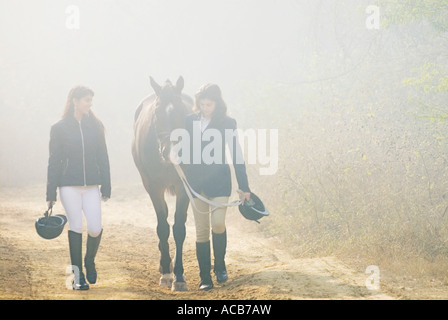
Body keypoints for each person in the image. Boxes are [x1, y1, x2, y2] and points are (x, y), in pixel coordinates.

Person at [184, 83, 251, 291]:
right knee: (202, 231)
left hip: (220, 183)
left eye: (209, 104)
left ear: (217, 103)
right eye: (202, 104)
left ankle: (220, 265)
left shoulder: (227, 123)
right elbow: (184, 150)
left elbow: (236, 154)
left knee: (218, 223)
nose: (205, 108)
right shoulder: (189, 122)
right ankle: (205, 277)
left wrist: (244, 187)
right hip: (196, 185)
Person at [46, 85, 111, 290]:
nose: (89, 104)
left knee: (95, 228)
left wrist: (107, 184)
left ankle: (89, 260)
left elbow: (103, 157)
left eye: (91, 100)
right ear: (75, 101)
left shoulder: (96, 127)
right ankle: (77, 276)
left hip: (91, 185)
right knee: (75, 227)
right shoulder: (59, 128)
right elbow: (54, 162)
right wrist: (50, 194)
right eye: (86, 100)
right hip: (68, 186)